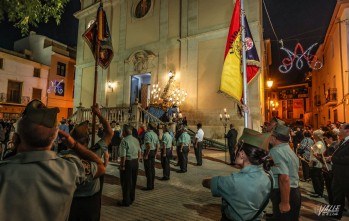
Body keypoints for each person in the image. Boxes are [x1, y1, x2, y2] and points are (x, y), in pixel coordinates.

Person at [0, 99, 105, 221]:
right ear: (54, 138)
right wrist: (74, 145)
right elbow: (100, 165)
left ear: (14, 138)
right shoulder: (70, 168)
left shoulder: (3, 172)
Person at [202, 128, 273, 221]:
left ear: (242, 154)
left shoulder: (233, 181)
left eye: (236, 148)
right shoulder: (269, 176)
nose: (235, 150)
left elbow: (205, 182)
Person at [66, 103, 113, 221]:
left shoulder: (64, 156)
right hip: (91, 201)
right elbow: (109, 132)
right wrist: (98, 114)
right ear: (87, 140)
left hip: (71, 200)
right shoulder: (95, 153)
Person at [268, 123, 301, 221]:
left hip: (284, 193)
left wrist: (285, 202)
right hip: (293, 192)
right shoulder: (288, 149)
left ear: (274, 137)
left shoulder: (276, 151)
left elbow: (284, 178)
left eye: (270, 134)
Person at [328, 123, 349, 219]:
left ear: (347, 131)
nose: (339, 129)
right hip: (338, 173)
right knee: (337, 195)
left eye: (341, 128)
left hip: (346, 175)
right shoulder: (343, 141)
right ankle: (336, 215)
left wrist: (333, 159)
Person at [118, 124, 141, 207]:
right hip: (135, 162)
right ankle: (131, 198)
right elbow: (139, 152)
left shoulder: (124, 141)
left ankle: (126, 201)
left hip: (128, 162)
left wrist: (122, 165)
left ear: (124, 132)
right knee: (133, 181)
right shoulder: (136, 140)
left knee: (126, 182)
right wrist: (137, 160)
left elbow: (123, 155)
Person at [142, 122, 159, 190]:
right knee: (152, 169)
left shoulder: (147, 134)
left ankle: (149, 186)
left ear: (149, 126)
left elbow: (148, 146)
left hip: (149, 152)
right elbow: (158, 145)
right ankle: (152, 184)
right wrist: (156, 153)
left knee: (148, 170)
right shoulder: (155, 134)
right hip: (153, 151)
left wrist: (146, 155)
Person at [322, 130, 338, 204]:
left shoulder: (332, 147)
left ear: (330, 138)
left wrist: (321, 158)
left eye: (325, 138)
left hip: (330, 171)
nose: (324, 140)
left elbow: (329, 160)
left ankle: (333, 205)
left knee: (331, 190)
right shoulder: (338, 144)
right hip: (334, 171)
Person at [309, 129, 326, 198]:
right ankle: (319, 192)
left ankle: (318, 192)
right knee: (318, 178)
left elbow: (316, 154)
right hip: (317, 163)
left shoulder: (318, 144)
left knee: (316, 178)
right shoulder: (321, 142)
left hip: (316, 163)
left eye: (314, 134)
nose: (312, 135)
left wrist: (311, 162)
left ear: (316, 136)